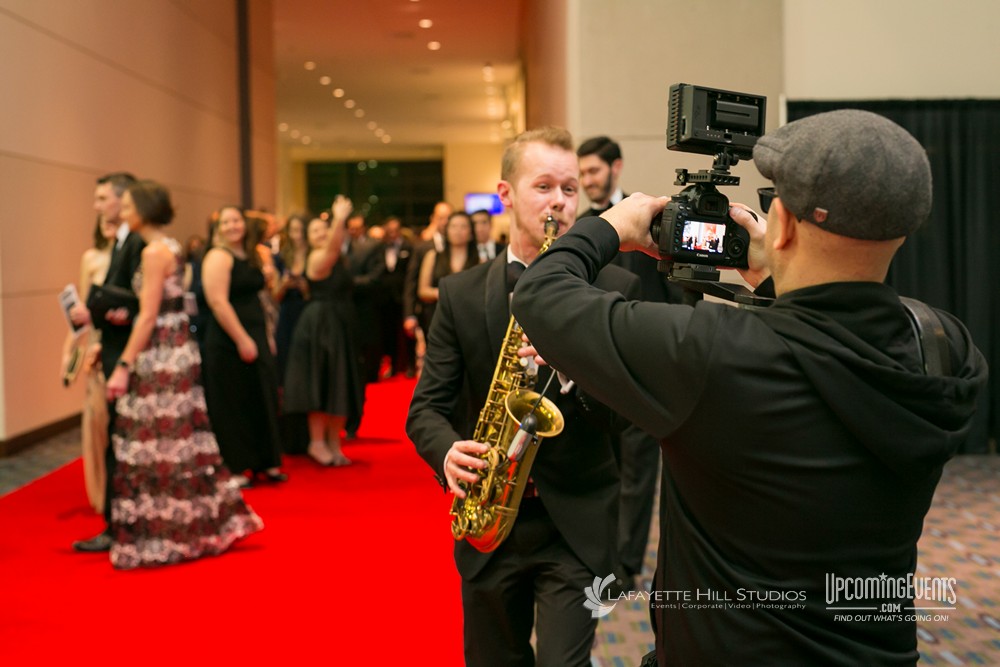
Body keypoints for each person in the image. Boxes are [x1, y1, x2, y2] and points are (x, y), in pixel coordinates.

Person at [512, 110, 988, 665]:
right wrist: (779, 285)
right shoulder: (943, 346)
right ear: (902, 230)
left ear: (781, 225)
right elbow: (837, 337)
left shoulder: (714, 352)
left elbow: (541, 295)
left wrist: (612, 226)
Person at [406, 127, 640, 667]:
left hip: (576, 522)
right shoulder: (460, 295)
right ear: (506, 195)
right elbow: (426, 408)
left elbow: (629, 417)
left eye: (569, 188)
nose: (559, 200)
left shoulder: (613, 291)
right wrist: (446, 451)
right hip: (488, 518)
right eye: (543, 187)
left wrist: (576, 370)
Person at [103, 180, 263, 569]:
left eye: (126, 206)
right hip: (175, 351)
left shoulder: (155, 252)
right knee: (180, 444)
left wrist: (123, 365)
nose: (121, 213)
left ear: (143, 209)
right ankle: (192, 528)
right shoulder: (169, 246)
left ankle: (170, 534)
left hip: (161, 357)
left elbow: (148, 316)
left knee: (160, 447)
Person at [577, 135, 674, 585]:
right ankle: (602, 551)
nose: (586, 181)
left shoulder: (649, 219)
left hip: (643, 363)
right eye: (582, 174)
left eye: (593, 171)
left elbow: (676, 291)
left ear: (615, 168)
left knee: (639, 470)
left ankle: (626, 565)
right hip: (596, 366)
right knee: (605, 466)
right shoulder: (581, 227)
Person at [69, 171, 143, 553]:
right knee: (116, 442)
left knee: (125, 443)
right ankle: (118, 522)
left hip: (126, 355)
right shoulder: (120, 242)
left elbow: (141, 303)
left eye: (102, 199)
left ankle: (124, 525)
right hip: (111, 350)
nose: (97, 207)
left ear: (123, 199)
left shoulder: (139, 243)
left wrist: (106, 309)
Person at [201, 205, 286, 486]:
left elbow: (265, 296)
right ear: (217, 228)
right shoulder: (217, 256)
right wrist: (241, 339)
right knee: (233, 402)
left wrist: (265, 337)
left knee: (262, 396)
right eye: (225, 222)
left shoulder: (251, 254)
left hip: (256, 331)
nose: (232, 226)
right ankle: (237, 467)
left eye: (236, 220)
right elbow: (217, 302)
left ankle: (267, 462)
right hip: (228, 339)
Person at [283, 197, 363, 467]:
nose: (321, 234)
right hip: (318, 324)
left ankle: (334, 442)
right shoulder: (317, 257)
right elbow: (332, 249)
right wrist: (339, 217)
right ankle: (316, 442)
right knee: (319, 381)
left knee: (338, 382)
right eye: (314, 230)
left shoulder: (339, 257)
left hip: (338, 322)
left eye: (323, 229)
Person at [61, 215, 117, 513]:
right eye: (103, 219)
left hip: (124, 344)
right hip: (97, 345)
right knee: (97, 421)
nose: (109, 223)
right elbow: (80, 312)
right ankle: (101, 493)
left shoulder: (135, 254)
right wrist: (69, 351)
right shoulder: (91, 258)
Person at [272, 213, 311, 454]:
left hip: (309, 316)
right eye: (293, 230)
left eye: (300, 230)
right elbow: (275, 295)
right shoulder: (280, 257)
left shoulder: (316, 255)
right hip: (287, 317)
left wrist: (306, 288)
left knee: (308, 374)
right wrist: (286, 284)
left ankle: (312, 437)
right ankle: (290, 436)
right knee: (286, 376)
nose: (296, 236)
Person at [416, 210, 478, 334]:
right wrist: (444, 294)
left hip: (469, 320)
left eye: (463, 226)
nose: (458, 231)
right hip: (437, 318)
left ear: (471, 233)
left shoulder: (479, 261)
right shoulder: (433, 256)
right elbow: (422, 290)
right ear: (447, 231)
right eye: (453, 226)